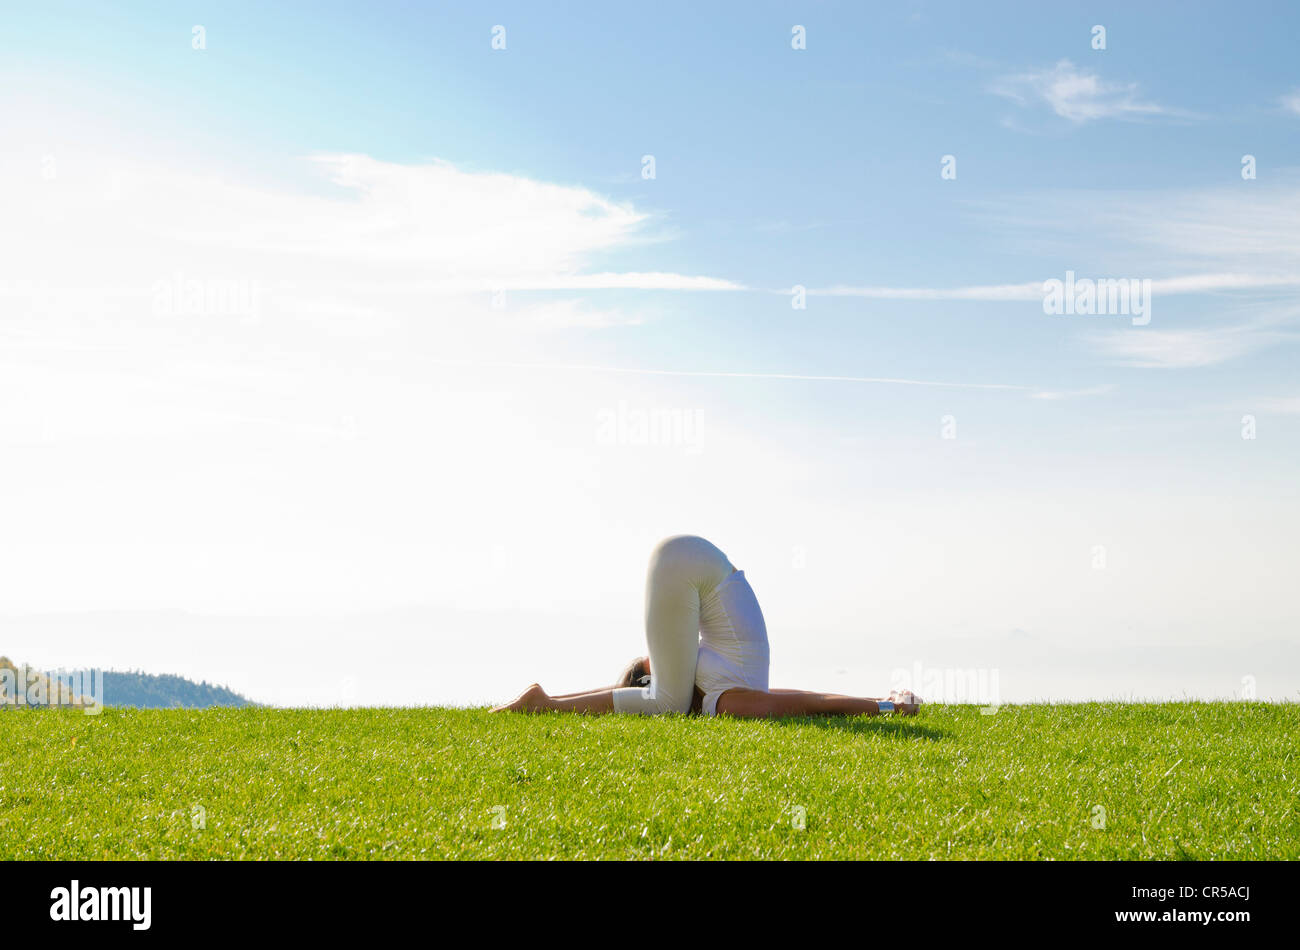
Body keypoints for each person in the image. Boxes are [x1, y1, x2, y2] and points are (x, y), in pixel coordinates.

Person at [491, 535, 920, 718]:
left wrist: (885, 703)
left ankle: (545, 703)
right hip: (691, 562)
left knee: (666, 704)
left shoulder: (716, 685)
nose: (654, 656)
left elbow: (811, 702)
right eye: (647, 664)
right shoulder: (722, 696)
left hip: (690, 565)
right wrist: (884, 703)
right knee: (666, 703)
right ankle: (544, 702)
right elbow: (810, 701)